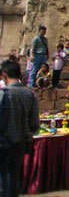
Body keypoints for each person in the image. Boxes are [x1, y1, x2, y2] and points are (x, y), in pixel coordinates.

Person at [0, 59, 39, 197]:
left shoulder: (3, 94)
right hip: (21, 142)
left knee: (3, 180)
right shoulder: (30, 94)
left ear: (4, 75)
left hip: (3, 142)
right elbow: (34, 124)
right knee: (15, 176)